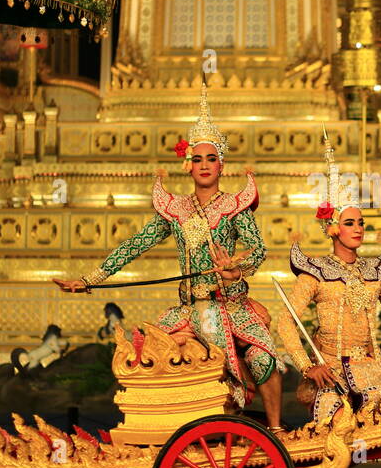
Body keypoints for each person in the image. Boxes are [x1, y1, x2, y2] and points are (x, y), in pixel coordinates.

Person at [53, 81, 284, 430]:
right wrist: (89, 279)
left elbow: (259, 250)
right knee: (146, 354)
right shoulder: (175, 210)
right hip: (189, 309)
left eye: (212, 158)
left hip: (230, 307)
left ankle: (276, 429)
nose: (204, 165)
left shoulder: (236, 208)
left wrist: (236, 271)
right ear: (187, 165)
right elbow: (135, 245)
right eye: (197, 159)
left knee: (264, 358)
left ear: (222, 165)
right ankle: (160, 429)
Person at [276, 136, 381, 420]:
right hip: (334, 372)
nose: (358, 228)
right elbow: (285, 321)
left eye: (361, 222)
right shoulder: (316, 273)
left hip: (375, 368)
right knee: (335, 422)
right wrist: (307, 366)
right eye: (349, 223)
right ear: (333, 229)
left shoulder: (376, 272)